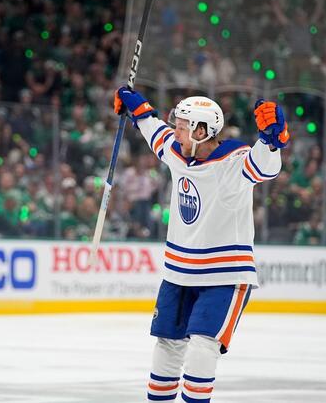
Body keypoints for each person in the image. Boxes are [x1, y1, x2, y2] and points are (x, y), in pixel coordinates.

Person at [112, 87, 289, 403]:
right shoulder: (179, 153)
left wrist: (272, 140)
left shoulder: (233, 163)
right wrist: (136, 106)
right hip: (178, 274)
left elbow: (265, 166)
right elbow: (156, 132)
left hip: (224, 277)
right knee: (167, 344)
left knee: (202, 347)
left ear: (202, 131)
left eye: (182, 125)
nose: (175, 130)